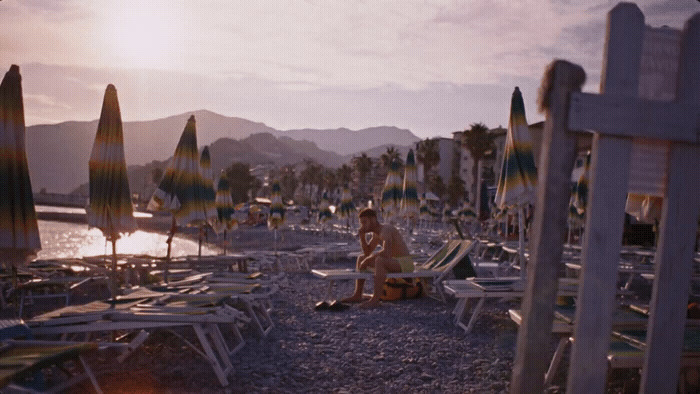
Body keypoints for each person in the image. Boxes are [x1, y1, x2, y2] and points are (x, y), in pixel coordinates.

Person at [341, 208, 414, 308]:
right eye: (361, 223)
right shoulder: (376, 234)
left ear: (373, 219)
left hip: (405, 263)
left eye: (364, 222)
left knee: (380, 261)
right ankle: (358, 295)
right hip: (393, 261)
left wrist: (368, 260)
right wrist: (362, 237)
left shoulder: (385, 230)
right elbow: (367, 253)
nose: (363, 226)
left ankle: (375, 300)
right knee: (361, 258)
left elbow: (386, 253)